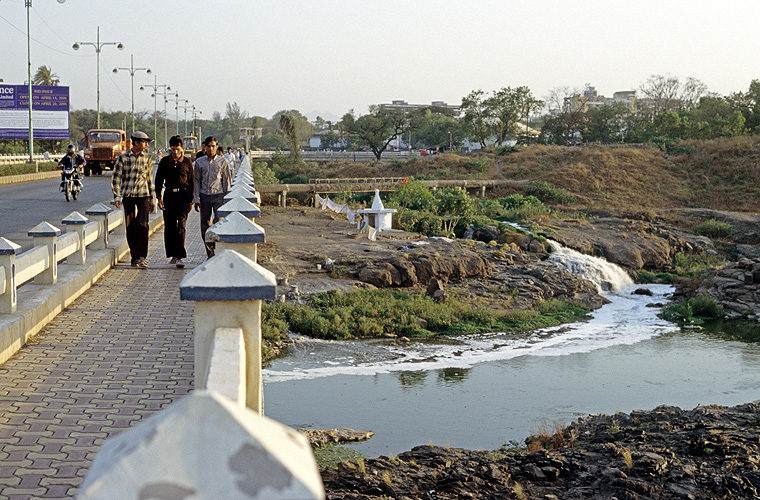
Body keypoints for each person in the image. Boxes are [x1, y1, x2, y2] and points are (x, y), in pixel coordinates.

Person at [112, 131, 155, 268]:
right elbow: (116, 178)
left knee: (143, 225)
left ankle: (142, 256)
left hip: (143, 195)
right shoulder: (123, 158)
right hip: (128, 195)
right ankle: (135, 257)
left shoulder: (147, 158)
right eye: (144, 142)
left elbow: (149, 179)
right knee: (130, 227)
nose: (146, 145)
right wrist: (117, 196)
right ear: (136, 142)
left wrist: (151, 199)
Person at [155, 135, 194, 268]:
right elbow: (159, 180)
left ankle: (179, 256)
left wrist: (191, 200)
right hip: (169, 196)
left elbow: (191, 182)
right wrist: (158, 197)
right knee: (170, 226)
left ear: (182, 148)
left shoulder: (187, 162)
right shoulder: (165, 161)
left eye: (177, 149)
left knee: (181, 225)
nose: (175, 152)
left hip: (183, 196)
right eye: (172, 149)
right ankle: (172, 253)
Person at [193, 136, 232, 258]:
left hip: (218, 196)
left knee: (219, 222)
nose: (210, 149)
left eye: (213, 146)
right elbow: (196, 181)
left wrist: (228, 199)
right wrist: (196, 199)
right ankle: (209, 252)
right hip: (204, 196)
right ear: (204, 147)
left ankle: (218, 247)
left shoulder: (223, 162)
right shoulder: (199, 162)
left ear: (217, 147)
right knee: (205, 224)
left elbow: (226, 181)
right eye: (208, 146)